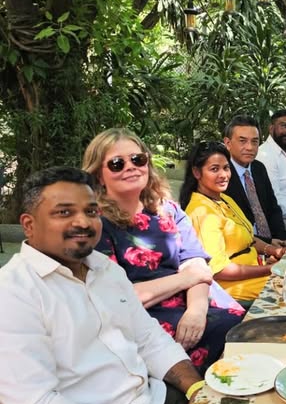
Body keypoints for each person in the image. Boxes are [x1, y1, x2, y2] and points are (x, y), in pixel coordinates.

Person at [0, 166, 286, 404]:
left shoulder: (105, 270)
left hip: (153, 403)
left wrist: (196, 390)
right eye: (64, 212)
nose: (82, 222)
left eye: (90, 211)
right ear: (29, 225)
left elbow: (149, 339)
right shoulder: (14, 292)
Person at [82, 128, 244, 374]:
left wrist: (196, 311)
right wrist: (185, 278)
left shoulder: (168, 210)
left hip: (197, 299)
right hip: (147, 316)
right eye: (117, 164)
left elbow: (197, 266)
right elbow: (118, 297)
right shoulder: (96, 225)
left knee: (251, 326)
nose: (130, 167)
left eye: (137, 159)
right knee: (234, 336)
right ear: (99, 175)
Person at [180, 141, 285, 305]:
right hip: (231, 289)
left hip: (254, 273)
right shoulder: (201, 211)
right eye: (214, 169)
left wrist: (274, 251)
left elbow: (247, 238)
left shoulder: (223, 199)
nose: (223, 175)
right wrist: (269, 269)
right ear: (197, 172)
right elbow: (219, 270)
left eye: (226, 168)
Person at [222, 115, 286, 245]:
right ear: (228, 143)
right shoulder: (222, 176)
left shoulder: (258, 168)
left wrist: (282, 239)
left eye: (254, 142)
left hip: (273, 243)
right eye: (242, 141)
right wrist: (268, 243)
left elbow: (273, 208)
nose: (250, 147)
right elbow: (233, 228)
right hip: (246, 246)